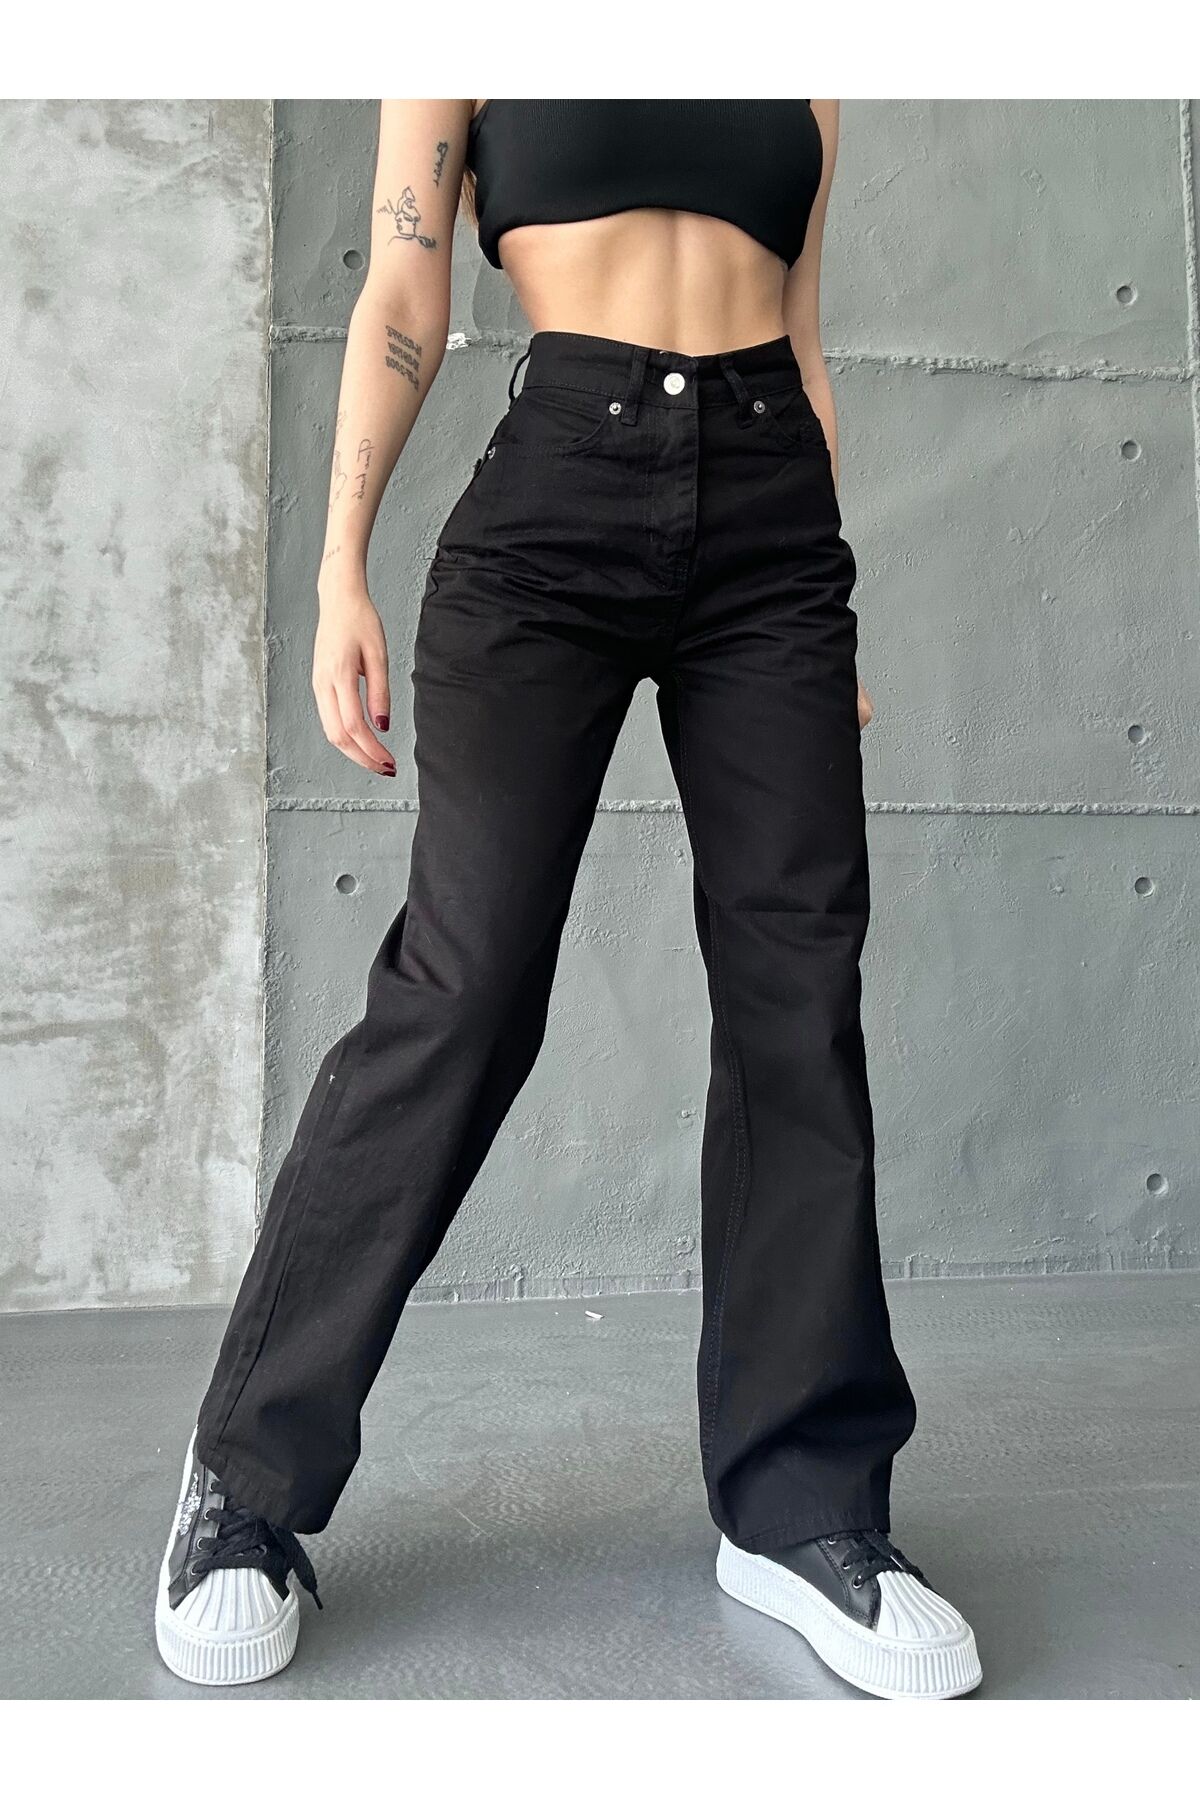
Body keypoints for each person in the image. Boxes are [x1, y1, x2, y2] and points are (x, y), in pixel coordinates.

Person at [154, 97, 982, 1701]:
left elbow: (804, 338)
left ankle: (805, 1508)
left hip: (772, 531)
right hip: (554, 505)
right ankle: (241, 1486)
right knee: (463, 987)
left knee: (798, 999)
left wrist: (829, 599)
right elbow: (404, 295)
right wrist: (339, 567)